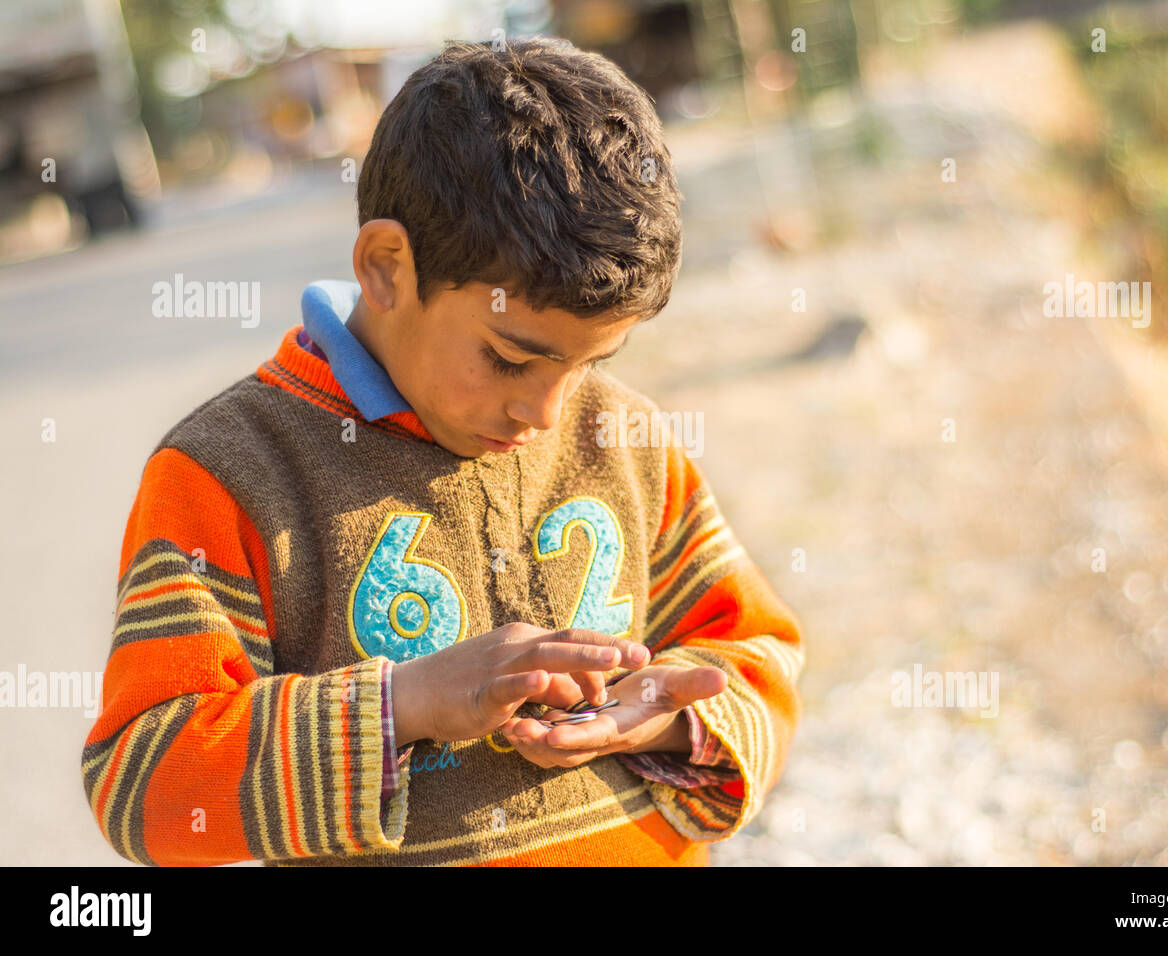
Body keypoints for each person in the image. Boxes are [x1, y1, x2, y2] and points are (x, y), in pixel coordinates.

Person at [82, 36, 804, 866]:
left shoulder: (622, 436)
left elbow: (757, 653)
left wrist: (668, 713)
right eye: (509, 357)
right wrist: (404, 703)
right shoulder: (231, 473)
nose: (545, 410)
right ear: (388, 266)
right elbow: (144, 787)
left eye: (588, 364)